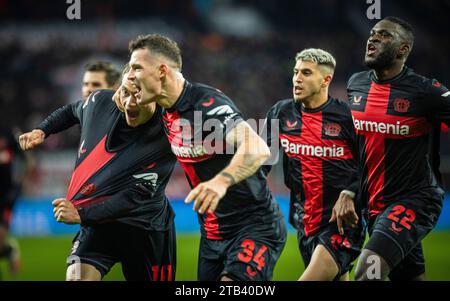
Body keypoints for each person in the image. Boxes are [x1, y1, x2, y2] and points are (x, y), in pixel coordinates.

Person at [116, 34, 287, 281]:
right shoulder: (163, 110)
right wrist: (122, 97)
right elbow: (130, 117)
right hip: (212, 236)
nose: (130, 75)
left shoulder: (205, 104)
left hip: (253, 227)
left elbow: (258, 147)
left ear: (162, 71)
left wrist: (221, 181)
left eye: (136, 67)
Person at [19, 67, 177, 281]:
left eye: (138, 95)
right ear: (117, 91)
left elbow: (132, 199)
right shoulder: (100, 103)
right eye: (126, 92)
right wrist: (43, 130)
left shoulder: (168, 130)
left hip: (145, 228)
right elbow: (72, 110)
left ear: (155, 97)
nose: (131, 102)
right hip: (99, 225)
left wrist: (80, 214)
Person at [347, 16, 450, 281]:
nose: (373, 38)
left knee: (366, 272)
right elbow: (357, 149)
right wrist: (349, 190)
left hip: (415, 200)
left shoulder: (427, 92)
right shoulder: (356, 84)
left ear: (403, 50)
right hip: (374, 205)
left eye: (384, 35)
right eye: (372, 33)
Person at [263, 49, 364, 281]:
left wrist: (350, 192)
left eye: (306, 73)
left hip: (342, 221)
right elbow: (262, 161)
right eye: (296, 72)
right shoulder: (281, 112)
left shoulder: (348, 118)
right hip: (304, 220)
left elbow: (372, 165)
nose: (297, 78)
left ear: (326, 80)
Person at [21, 61, 122, 150]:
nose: (88, 89)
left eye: (96, 85)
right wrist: (41, 130)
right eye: (86, 84)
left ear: (113, 88)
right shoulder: (84, 111)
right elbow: (68, 112)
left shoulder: (123, 114)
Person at [0, 127, 32, 278]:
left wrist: (21, 182)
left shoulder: (8, 133)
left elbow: (28, 159)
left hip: (6, 195)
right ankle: (8, 251)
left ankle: (8, 250)